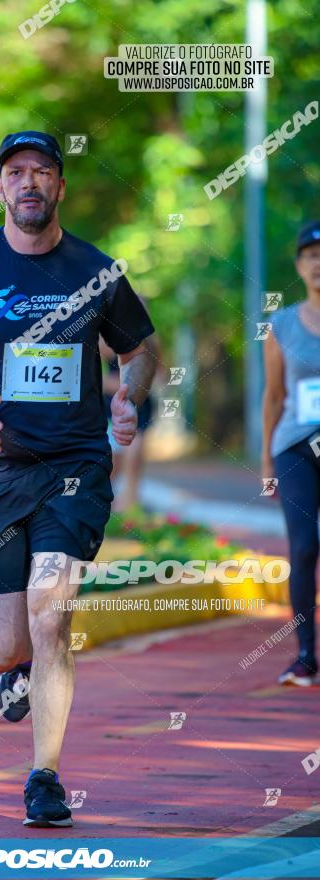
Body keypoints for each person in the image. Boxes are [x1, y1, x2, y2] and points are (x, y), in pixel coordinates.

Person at [0, 130, 156, 827]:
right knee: (4, 647)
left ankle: (43, 775)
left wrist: (126, 393)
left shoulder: (96, 270)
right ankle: (8, 674)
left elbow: (139, 350)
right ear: (2, 187)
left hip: (72, 467)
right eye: (15, 172)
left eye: (41, 172)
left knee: (52, 615)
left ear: (58, 186)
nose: (28, 184)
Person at [262, 220, 320, 687]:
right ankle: (305, 655)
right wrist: (265, 460)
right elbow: (273, 396)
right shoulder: (281, 325)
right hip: (295, 447)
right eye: (310, 256)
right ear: (300, 266)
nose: (318, 263)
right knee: (303, 547)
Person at [100, 332, 163, 512]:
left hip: (139, 405)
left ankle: (130, 508)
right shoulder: (107, 337)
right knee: (112, 463)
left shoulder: (151, 340)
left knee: (134, 458)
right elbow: (93, 373)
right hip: (112, 405)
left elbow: (159, 375)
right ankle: (111, 506)